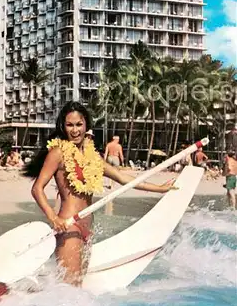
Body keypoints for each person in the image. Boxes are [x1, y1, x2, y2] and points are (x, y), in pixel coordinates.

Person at [26, 101, 175, 287]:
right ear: (63, 127)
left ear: (86, 125)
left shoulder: (92, 156)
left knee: (77, 285)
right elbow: (37, 188)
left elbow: (122, 177)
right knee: (69, 289)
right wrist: (53, 217)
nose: (74, 130)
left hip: (88, 226)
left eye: (79, 124)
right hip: (69, 226)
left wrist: (160, 188)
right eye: (69, 125)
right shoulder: (58, 153)